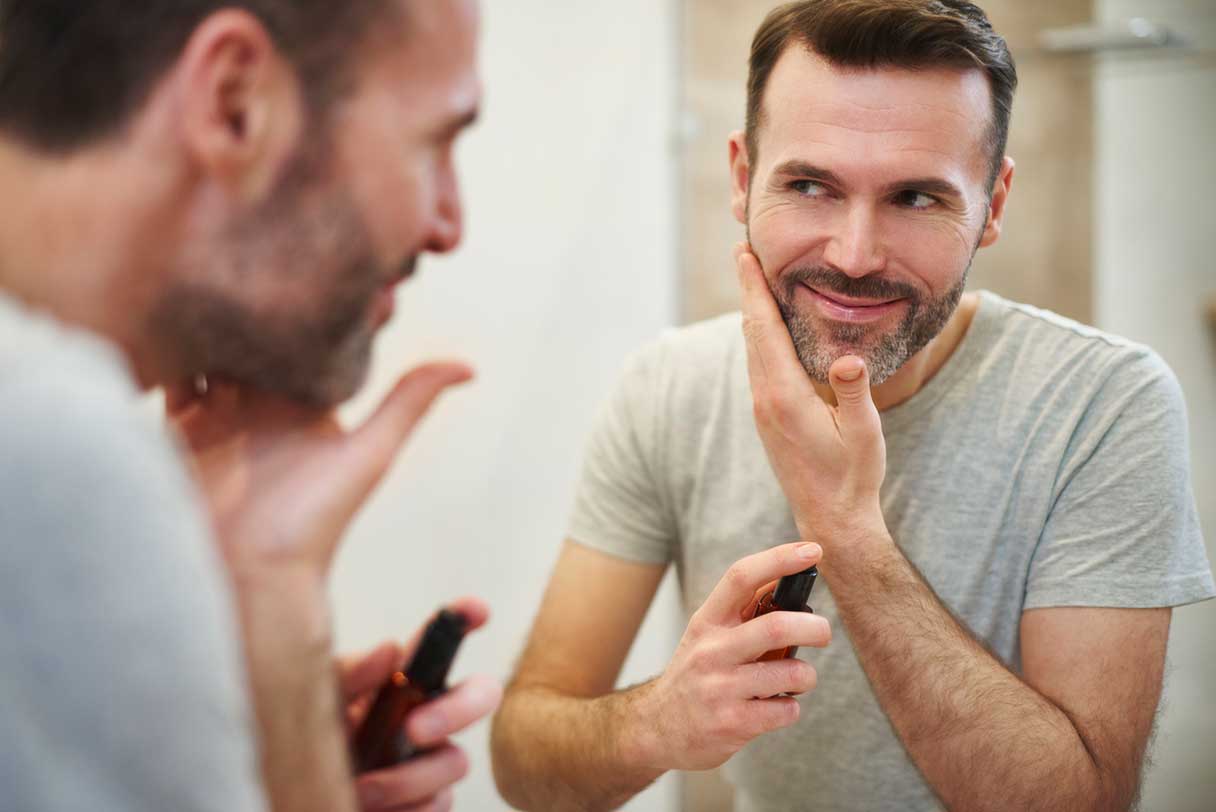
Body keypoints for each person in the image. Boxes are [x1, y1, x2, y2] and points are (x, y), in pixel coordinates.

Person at [490, 2, 1216, 810]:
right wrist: (656, 723)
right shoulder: (668, 387)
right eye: (809, 186)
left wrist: (844, 528)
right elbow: (525, 766)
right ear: (740, 178)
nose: (854, 256)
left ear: (993, 206)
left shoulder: (1103, 405)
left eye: (915, 198)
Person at [0, 2, 500, 811]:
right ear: (234, 102)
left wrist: (261, 716)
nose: (449, 224)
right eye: (435, 141)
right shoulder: (53, 453)